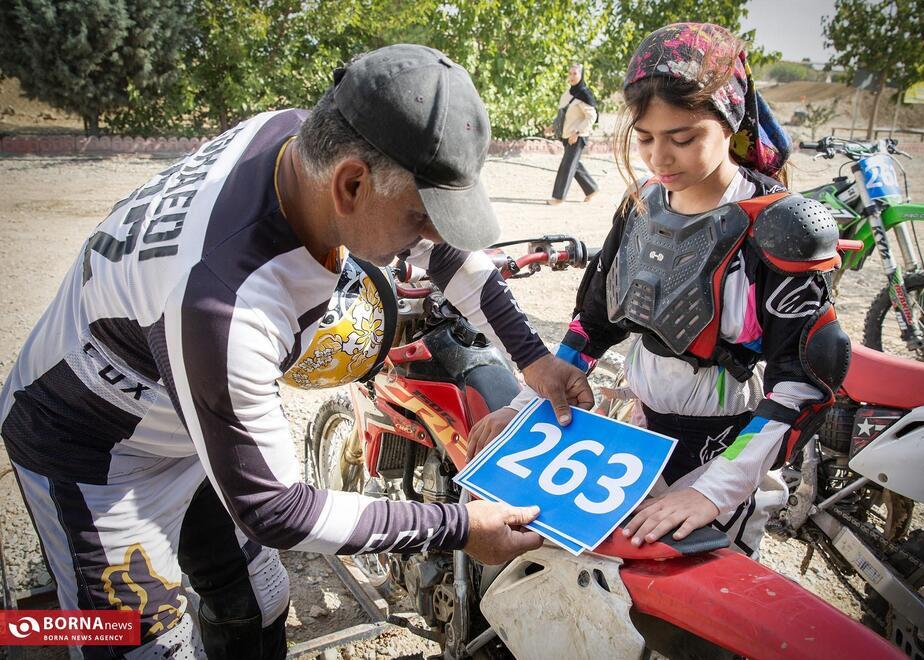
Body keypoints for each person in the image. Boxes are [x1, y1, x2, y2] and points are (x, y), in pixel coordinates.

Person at [0, 44, 593, 658]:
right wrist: (461, 528)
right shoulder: (227, 302)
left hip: (183, 408)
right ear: (351, 184)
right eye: (420, 217)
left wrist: (533, 358)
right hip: (88, 448)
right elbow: (276, 507)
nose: (430, 237)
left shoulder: (298, 138)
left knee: (258, 595)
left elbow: (444, 254)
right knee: (140, 643)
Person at [468, 24, 849, 558]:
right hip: (637, 441)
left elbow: (804, 381)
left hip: (729, 449)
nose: (659, 159)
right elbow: (591, 325)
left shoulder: (780, 227)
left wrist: (712, 492)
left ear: (729, 120)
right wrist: (530, 404)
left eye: (683, 138)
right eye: (644, 138)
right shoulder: (642, 204)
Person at [548, 63, 599, 205]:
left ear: (581, 75)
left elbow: (591, 116)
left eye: (575, 74)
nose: (571, 76)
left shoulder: (584, 94)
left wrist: (577, 132)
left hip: (577, 136)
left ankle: (558, 197)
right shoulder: (567, 94)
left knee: (567, 165)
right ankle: (591, 189)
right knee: (574, 164)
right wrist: (552, 127)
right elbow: (563, 115)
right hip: (567, 136)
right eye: (570, 73)